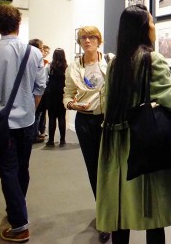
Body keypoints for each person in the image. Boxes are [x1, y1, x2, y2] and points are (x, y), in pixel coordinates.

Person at [97, 4, 171, 244]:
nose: (154, 27)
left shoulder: (116, 63)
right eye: (151, 22)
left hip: (116, 144)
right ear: (142, 29)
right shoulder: (151, 59)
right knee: (152, 213)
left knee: (120, 211)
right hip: (144, 143)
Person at [0, 4, 45, 243]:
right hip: (28, 121)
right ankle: (16, 208)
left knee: (7, 171)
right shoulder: (34, 53)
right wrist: (30, 108)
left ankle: (19, 225)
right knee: (22, 167)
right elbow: (40, 88)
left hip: (2, 123)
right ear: (19, 24)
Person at [63, 26, 112, 243]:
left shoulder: (110, 61)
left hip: (108, 121)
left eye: (91, 37)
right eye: (83, 37)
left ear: (98, 40)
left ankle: (116, 211)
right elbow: (67, 94)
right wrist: (71, 104)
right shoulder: (74, 67)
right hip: (85, 122)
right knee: (94, 169)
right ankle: (104, 216)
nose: (87, 40)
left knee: (111, 168)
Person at [44, 48, 68, 147]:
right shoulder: (67, 67)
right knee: (62, 116)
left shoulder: (49, 66)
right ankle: (62, 140)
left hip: (52, 93)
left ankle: (51, 141)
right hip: (62, 92)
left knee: (52, 116)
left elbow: (45, 81)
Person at [29, 38, 47, 144]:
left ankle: (33, 134)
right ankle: (34, 135)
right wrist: (36, 102)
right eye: (41, 48)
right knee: (36, 115)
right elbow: (40, 84)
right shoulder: (38, 59)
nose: (42, 51)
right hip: (34, 96)